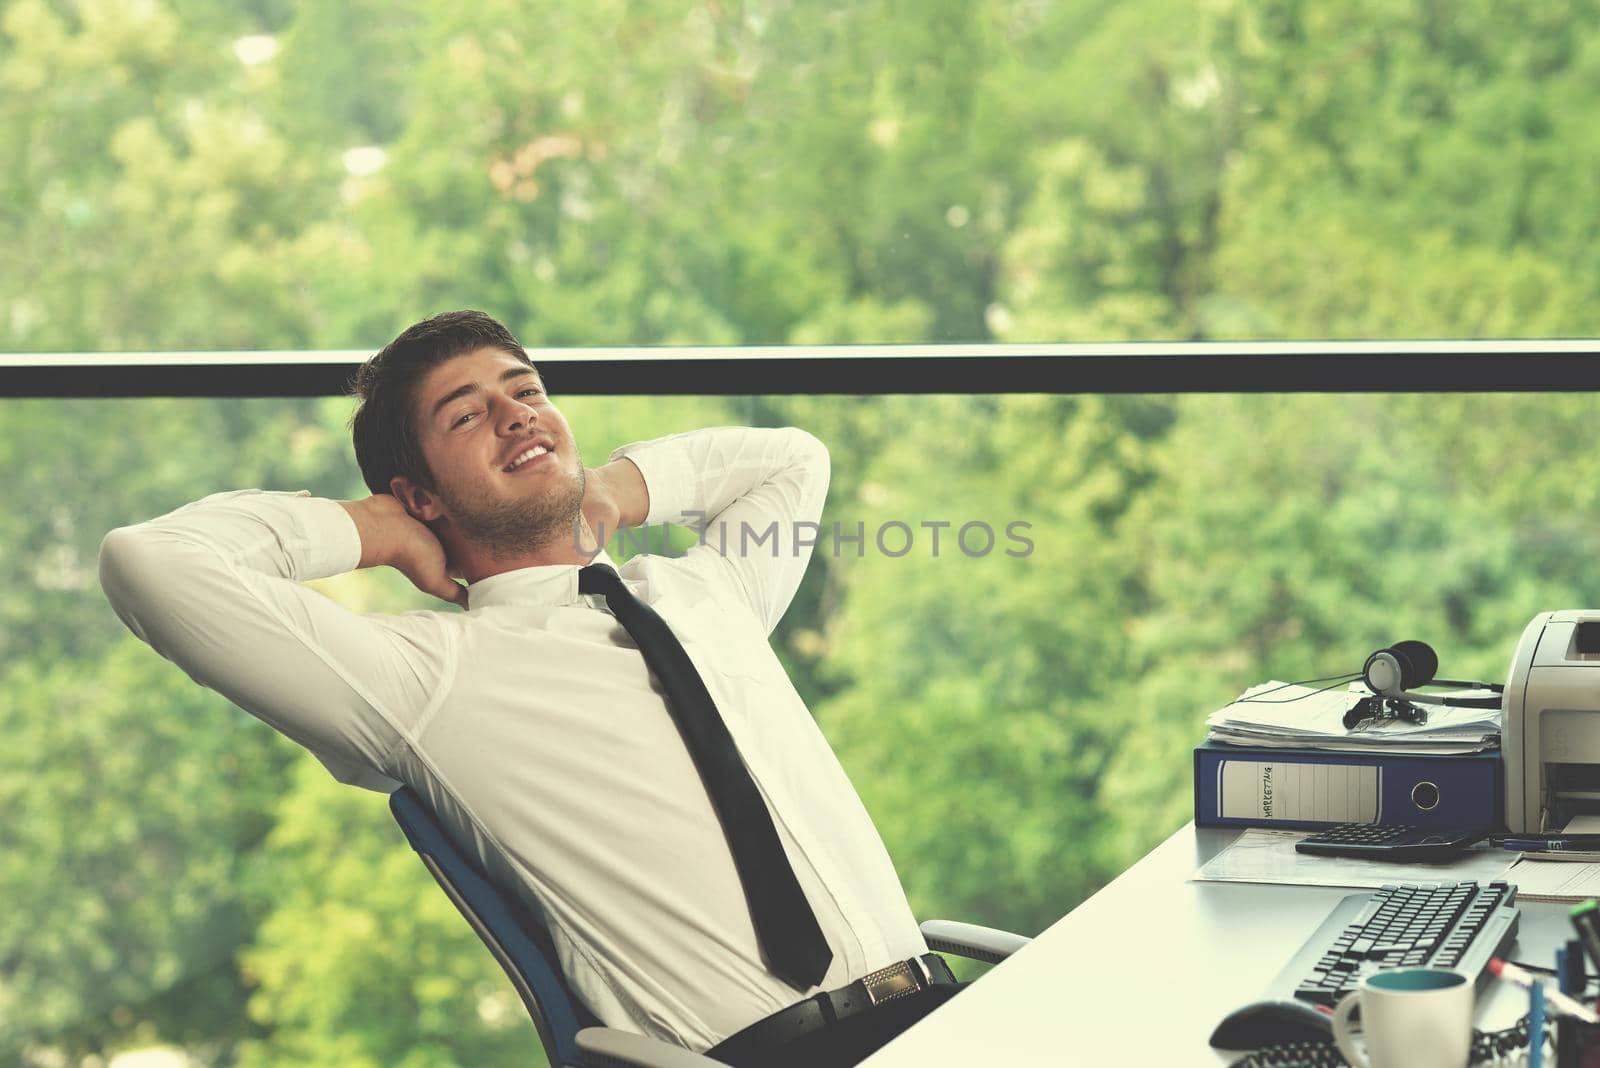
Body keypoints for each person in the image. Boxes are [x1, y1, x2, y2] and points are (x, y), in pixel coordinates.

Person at [98, 310, 962, 1066]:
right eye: (467, 415)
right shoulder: (425, 682)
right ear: (418, 494)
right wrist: (371, 531)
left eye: (528, 392)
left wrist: (618, 491)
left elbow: (791, 462)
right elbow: (149, 564)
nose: (517, 417)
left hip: (950, 1013)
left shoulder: (708, 593)